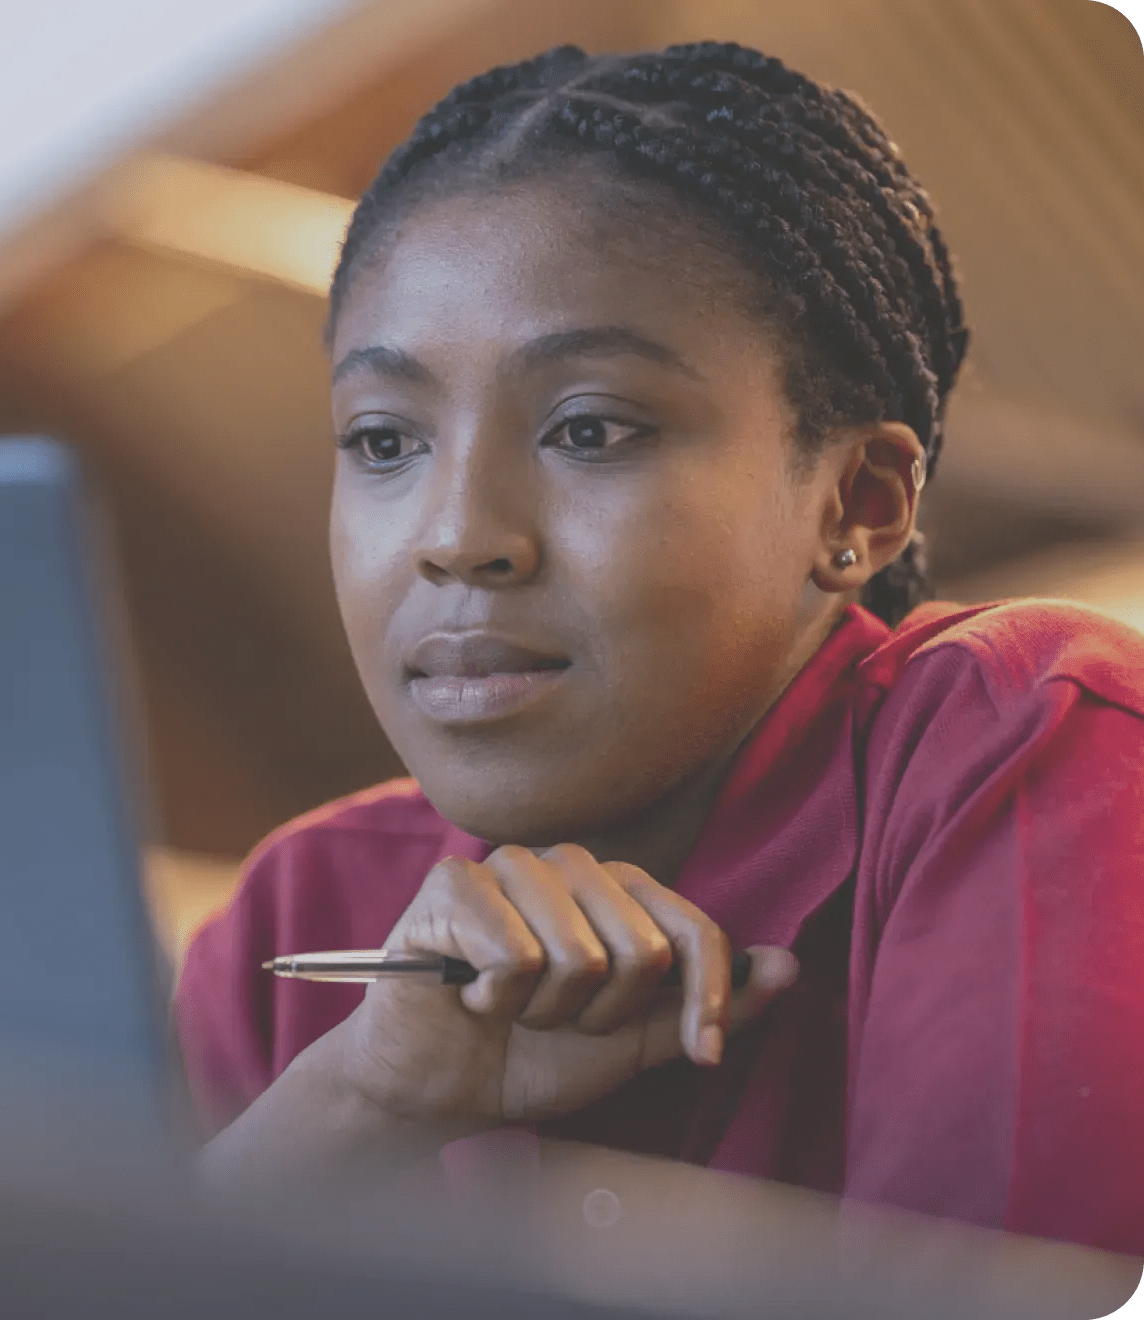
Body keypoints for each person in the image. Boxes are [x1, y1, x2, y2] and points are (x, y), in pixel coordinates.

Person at [176, 41, 1144, 1257]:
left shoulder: (1021, 738)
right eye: (382, 443)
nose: (460, 536)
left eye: (590, 428)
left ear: (858, 503)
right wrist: (359, 1103)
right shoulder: (295, 914)